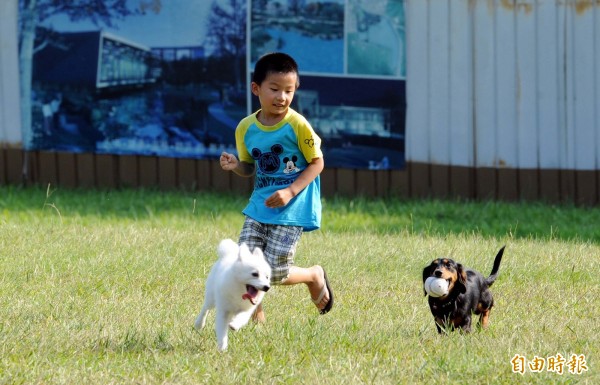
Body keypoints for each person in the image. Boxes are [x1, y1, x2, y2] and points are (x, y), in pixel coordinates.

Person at [219, 52, 333, 321]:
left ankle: (313, 275)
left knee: (276, 271)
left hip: (293, 206)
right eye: (275, 89)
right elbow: (249, 168)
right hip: (260, 204)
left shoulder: (297, 125)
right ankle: (257, 318)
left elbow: (317, 163)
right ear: (256, 88)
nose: (282, 97)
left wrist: (291, 191)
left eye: (288, 90)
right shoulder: (245, 127)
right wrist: (235, 164)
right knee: (246, 263)